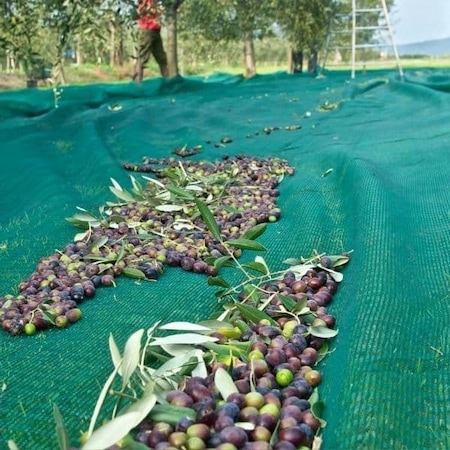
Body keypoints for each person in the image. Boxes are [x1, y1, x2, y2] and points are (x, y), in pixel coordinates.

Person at [133, 0, 169, 82]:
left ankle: (167, 82)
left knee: (162, 58)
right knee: (142, 58)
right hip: (147, 29)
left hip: (155, 30)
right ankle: (136, 85)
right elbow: (142, 11)